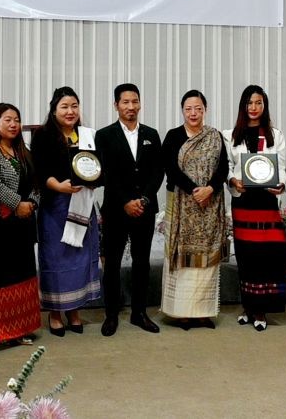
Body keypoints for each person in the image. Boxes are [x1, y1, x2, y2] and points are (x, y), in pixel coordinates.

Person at [95, 84, 165, 336]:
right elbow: (106, 174)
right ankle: (111, 315)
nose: (131, 107)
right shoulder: (103, 135)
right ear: (116, 105)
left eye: (135, 101)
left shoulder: (151, 134)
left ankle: (139, 313)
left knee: (141, 262)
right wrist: (125, 201)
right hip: (116, 209)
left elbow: (158, 171)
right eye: (125, 102)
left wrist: (144, 199)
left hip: (145, 209)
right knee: (111, 263)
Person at [32, 87, 102, 335]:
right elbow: (38, 171)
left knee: (80, 257)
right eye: (64, 106)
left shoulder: (87, 135)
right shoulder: (42, 136)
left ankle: (74, 311)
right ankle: (54, 313)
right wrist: (57, 186)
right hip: (55, 207)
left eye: (74, 106)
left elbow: (97, 168)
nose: (70, 111)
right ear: (54, 110)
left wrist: (95, 180)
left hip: (83, 204)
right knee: (56, 258)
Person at [222, 85, 286, 332]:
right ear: (243, 106)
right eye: (249, 103)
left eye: (258, 103)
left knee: (267, 256)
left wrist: (281, 185)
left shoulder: (275, 135)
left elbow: (282, 166)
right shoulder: (230, 135)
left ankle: (262, 308)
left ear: (264, 105)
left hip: (266, 203)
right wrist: (232, 181)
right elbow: (227, 166)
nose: (254, 107)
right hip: (243, 202)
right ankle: (248, 306)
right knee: (246, 255)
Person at [161, 90, 228, 329]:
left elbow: (223, 168)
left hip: (210, 205)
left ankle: (203, 312)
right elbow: (170, 168)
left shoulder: (215, 136)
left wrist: (209, 189)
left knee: (207, 262)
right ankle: (182, 314)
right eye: (189, 108)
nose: (193, 113)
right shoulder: (173, 136)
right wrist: (194, 190)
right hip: (181, 203)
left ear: (205, 109)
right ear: (182, 110)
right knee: (182, 259)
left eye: (198, 108)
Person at [0, 103, 42, 346]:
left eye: (16, 120)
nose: (13, 124)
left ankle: (22, 328)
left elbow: (36, 183)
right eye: (7, 120)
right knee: (1, 278)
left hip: (23, 226)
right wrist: (17, 204)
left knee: (23, 275)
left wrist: (31, 205)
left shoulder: (24, 150)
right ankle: (3, 333)